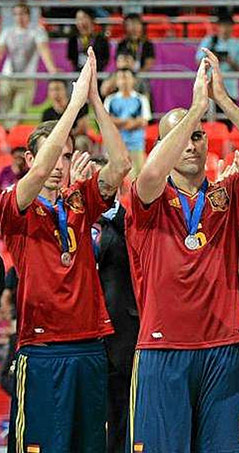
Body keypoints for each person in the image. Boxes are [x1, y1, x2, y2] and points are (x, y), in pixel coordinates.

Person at [125, 50, 239, 452]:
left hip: (224, 345)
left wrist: (224, 102)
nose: (192, 143)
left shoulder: (228, 195)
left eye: (198, 134)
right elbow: (149, 174)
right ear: (163, 144)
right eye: (183, 135)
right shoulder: (150, 199)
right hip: (163, 348)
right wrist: (196, 108)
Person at [2, 49, 130, 453]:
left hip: (91, 346)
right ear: (28, 158)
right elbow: (38, 175)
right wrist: (73, 104)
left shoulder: (78, 201)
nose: (59, 165)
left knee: (90, 446)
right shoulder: (12, 205)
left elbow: (122, 163)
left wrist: (94, 101)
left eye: (68, 157)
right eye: (53, 155)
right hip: (41, 350)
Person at [88, 157, 140, 453]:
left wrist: (111, 213)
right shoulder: (74, 219)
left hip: (122, 327)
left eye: (106, 179)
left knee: (121, 405)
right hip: (83, 327)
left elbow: (138, 248)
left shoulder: (128, 219)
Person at [0, 2, 57, 129]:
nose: (19, 17)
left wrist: (52, 69)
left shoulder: (37, 31)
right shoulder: (7, 32)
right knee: (3, 110)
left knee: (19, 113)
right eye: (16, 14)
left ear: (28, 15)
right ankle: (4, 136)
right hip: (7, 78)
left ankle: (8, 137)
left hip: (27, 80)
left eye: (22, 13)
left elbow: (44, 51)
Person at [104, 68, 152, 175]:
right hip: (116, 144)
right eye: (121, 78)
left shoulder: (141, 99)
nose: (124, 81)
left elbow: (144, 121)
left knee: (138, 176)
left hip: (136, 144)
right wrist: (130, 122)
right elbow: (107, 121)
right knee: (116, 176)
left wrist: (119, 123)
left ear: (133, 80)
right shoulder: (110, 100)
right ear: (116, 81)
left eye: (127, 77)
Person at [196, 14, 239, 102]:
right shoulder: (208, 41)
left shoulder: (238, 44)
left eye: (228, 25)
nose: (225, 29)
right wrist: (212, 59)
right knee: (208, 115)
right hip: (209, 86)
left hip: (230, 88)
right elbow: (199, 62)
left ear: (232, 27)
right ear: (218, 26)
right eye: (223, 25)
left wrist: (230, 62)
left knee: (228, 115)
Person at [67, 8, 110, 73]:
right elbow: (71, 59)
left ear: (92, 20)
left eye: (84, 18)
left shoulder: (101, 40)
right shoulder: (73, 40)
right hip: (78, 75)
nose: (81, 22)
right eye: (78, 19)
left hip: (96, 75)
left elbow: (104, 60)